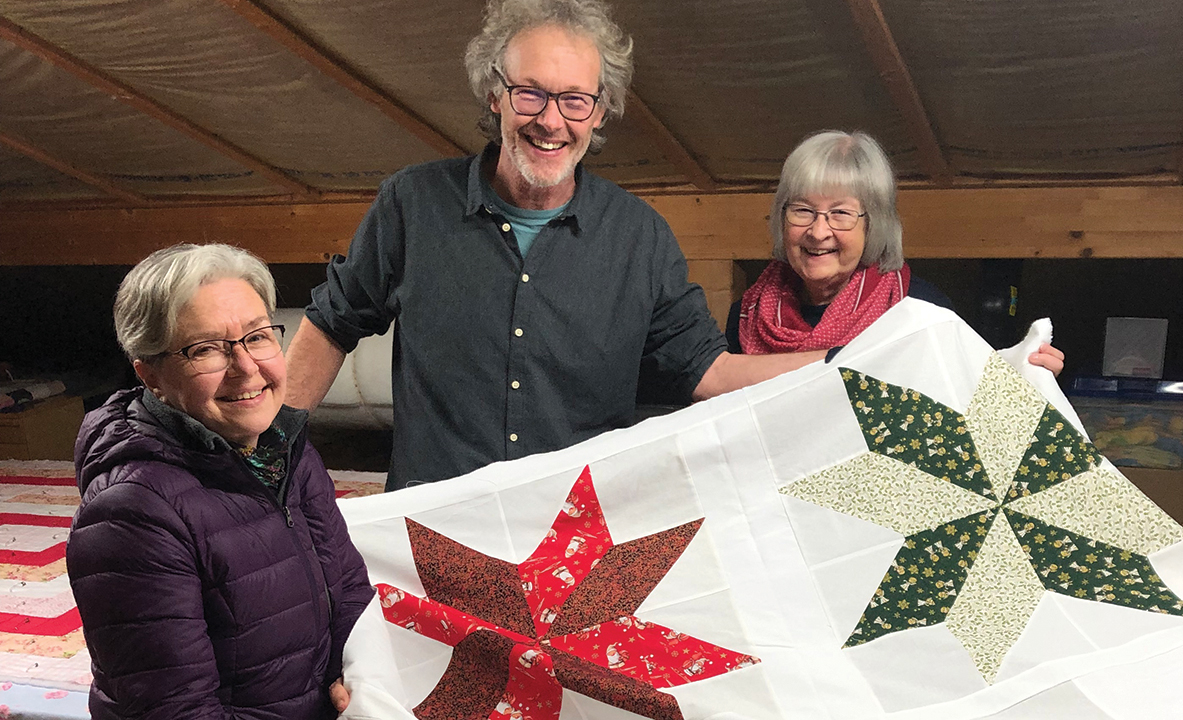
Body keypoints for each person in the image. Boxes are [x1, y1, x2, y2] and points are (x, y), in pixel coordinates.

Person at [286, 0, 822, 491]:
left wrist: (851, 363)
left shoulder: (640, 237)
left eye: (574, 100)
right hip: (435, 529)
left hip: (575, 540)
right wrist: (266, 453)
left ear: (600, 110)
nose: (550, 120)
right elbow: (333, 324)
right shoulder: (412, 203)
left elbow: (711, 371)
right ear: (495, 94)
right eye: (530, 93)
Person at [67, 244, 374, 720]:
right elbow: (175, 710)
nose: (246, 367)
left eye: (258, 336)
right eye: (206, 349)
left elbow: (350, 588)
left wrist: (359, 681)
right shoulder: (131, 513)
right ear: (151, 376)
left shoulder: (284, 448)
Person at [728, 130, 1065, 374]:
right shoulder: (747, 315)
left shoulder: (920, 311)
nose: (818, 232)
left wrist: (1028, 375)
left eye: (841, 213)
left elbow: (969, 403)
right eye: (802, 210)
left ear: (874, 224)